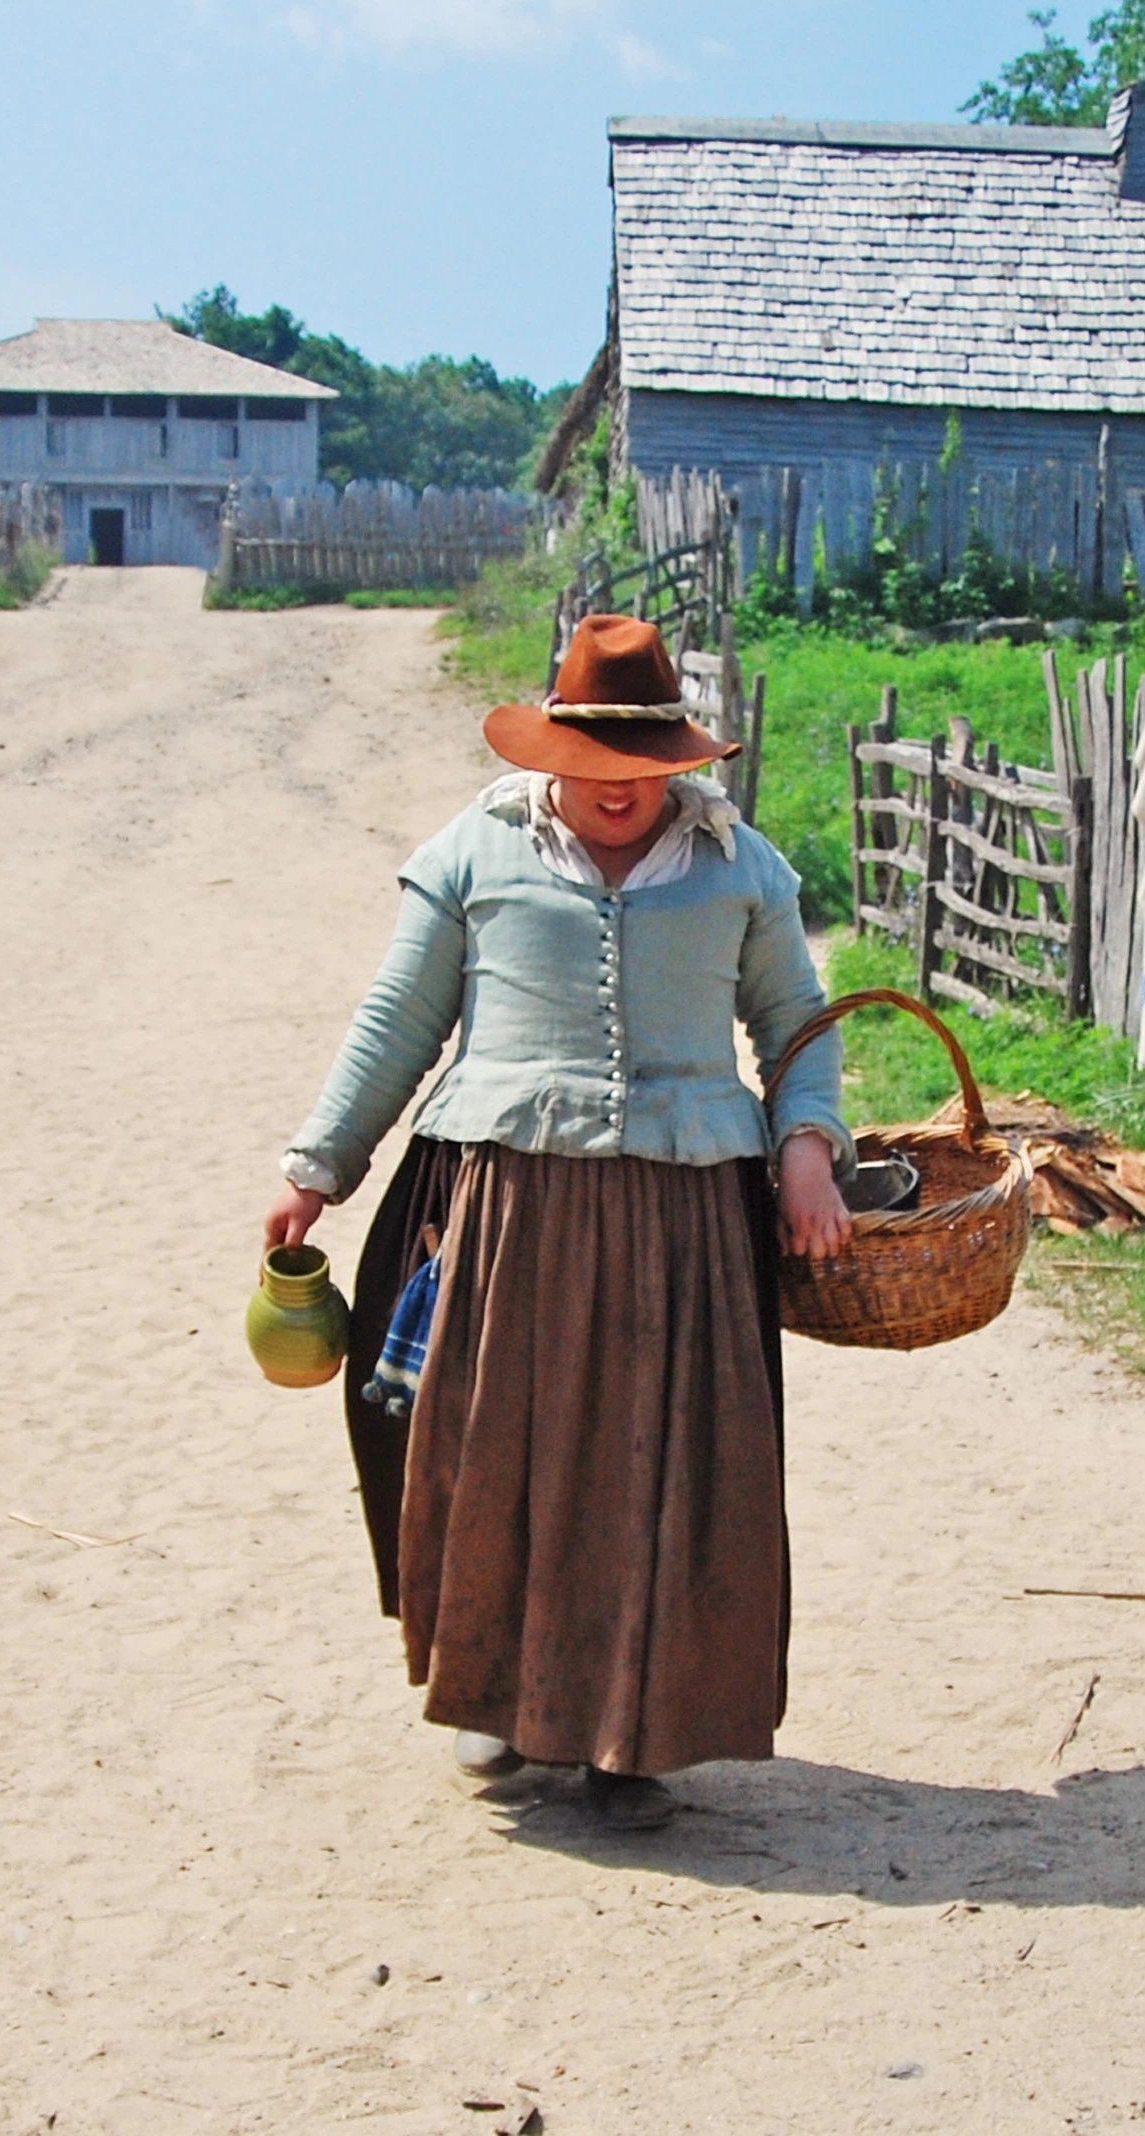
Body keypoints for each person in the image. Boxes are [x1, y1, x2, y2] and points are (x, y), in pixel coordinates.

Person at [267, 613, 851, 1830]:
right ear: (552, 748)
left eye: (642, 763)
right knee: (493, 1447)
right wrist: (318, 1166)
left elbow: (797, 1023)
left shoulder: (739, 867)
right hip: (505, 1207)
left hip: (684, 1220)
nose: (617, 788)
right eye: (593, 762)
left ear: (677, 755)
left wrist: (806, 1148)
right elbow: (396, 1021)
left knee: (662, 1466)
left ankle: (633, 1740)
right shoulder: (475, 852)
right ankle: (491, 1694)